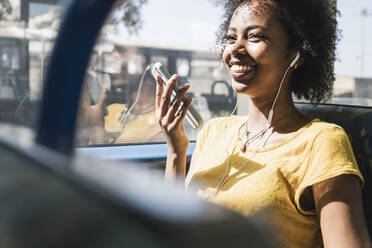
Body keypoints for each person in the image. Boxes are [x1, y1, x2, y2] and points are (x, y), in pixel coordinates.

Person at [155, 0, 372, 247]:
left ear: (295, 53)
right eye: (230, 38)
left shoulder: (321, 142)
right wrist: (176, 151)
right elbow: (177, 228)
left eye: (255, 37)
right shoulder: (213, 132)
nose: (235, 49)